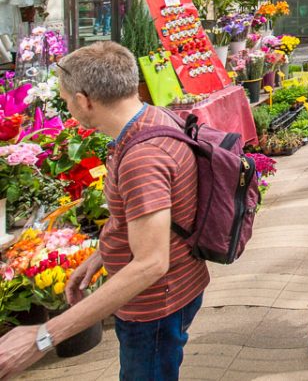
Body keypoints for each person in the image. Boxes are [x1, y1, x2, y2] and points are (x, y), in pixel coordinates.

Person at [0, 42, 208, 379]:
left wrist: (42, 336)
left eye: (67, 101)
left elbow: (151, 263)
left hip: (155, 305)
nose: (68, 108)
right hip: (175, 287)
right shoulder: (154, 117)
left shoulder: (142, 158)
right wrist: (100, 257)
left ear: (84, 100)